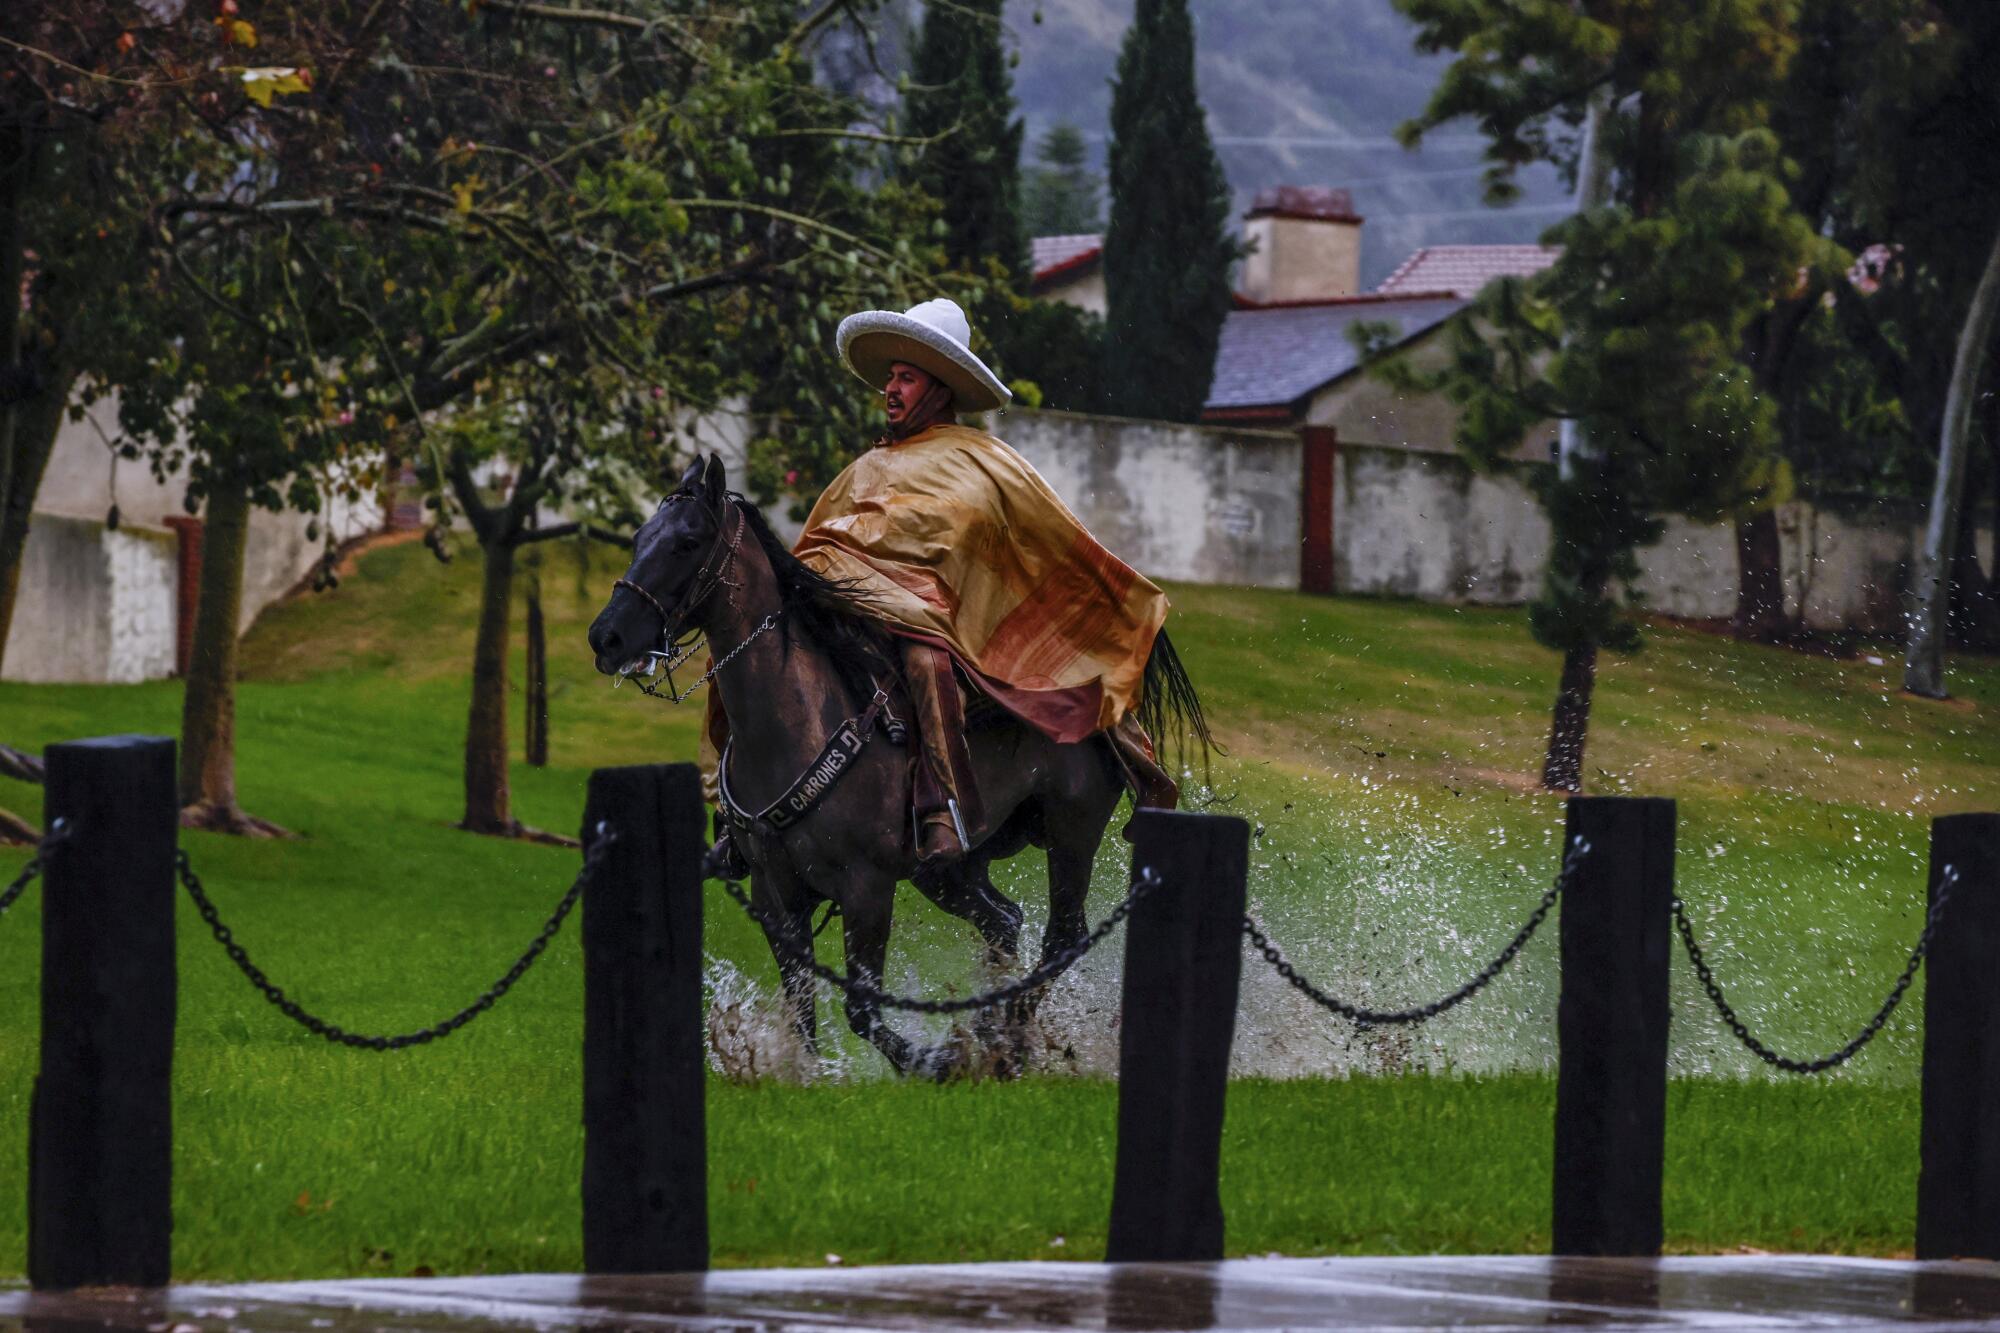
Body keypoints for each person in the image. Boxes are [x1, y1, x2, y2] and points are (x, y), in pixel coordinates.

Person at [708, 296, 1175, 871]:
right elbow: (826, 540)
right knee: (755, 647)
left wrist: (900, 579)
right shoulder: (867, 465)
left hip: (940, 616)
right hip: (848, 605)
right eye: (890, 378)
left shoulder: (985, 462)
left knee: (925, 660)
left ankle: (942, 810)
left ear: (939, 387)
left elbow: (978, 544)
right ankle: (735, 811)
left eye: (906, 377)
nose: (892, 388)